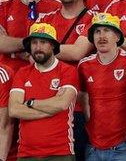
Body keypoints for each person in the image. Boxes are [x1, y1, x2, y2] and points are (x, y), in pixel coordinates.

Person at [78, 11, 126, 160]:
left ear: (118, 36)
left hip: (123, 146)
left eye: (107, 30)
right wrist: (88, 116)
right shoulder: (84, 65)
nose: (101, 36)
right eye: (97, 32)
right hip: (93, 147)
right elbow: (82, 94)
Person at [8, 22, 80, 160]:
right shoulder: (22, 73)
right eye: (34, 42)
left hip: (60, 152)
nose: (38, 47)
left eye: (43, 42)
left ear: (53, 45)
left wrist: (30, 103)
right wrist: (50, 109)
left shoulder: (67, 71)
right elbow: (14, 110)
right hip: (26, 153)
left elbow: (62, 104)